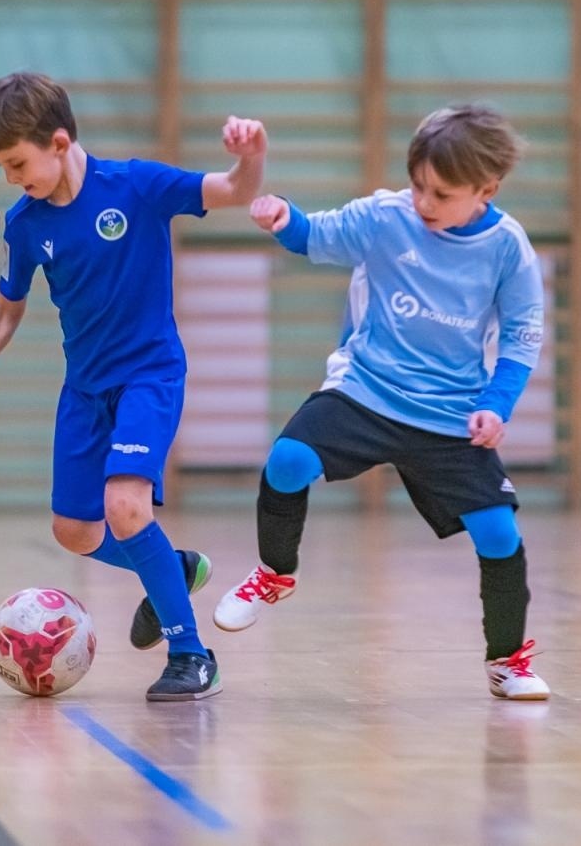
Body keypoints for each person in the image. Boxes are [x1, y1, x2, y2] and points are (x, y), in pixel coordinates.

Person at [0, 72, 266, 701]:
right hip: (84, 391)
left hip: (147, 376)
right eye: (2, 168)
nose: (10, 178)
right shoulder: (25, 224)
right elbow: (6, 305)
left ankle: (192, 656)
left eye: (16, 164)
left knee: (125, 506)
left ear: (59, 143)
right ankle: (172, 569)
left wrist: (251, 156)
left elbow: (233, 189)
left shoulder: (137, 187)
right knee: (74, 531)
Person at [211, 104, 551, 700]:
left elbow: (522, 336)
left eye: (441, 194)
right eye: (418, 185)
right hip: (366, 390)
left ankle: (507, 662)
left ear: (487, 190)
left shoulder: (507, 247)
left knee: (499, 535)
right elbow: (316, 235)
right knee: (288, 461)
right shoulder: (386, 216)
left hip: (449, 413)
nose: (423, 202)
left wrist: (496, 405)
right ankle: (274, 573)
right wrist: (282, 216)